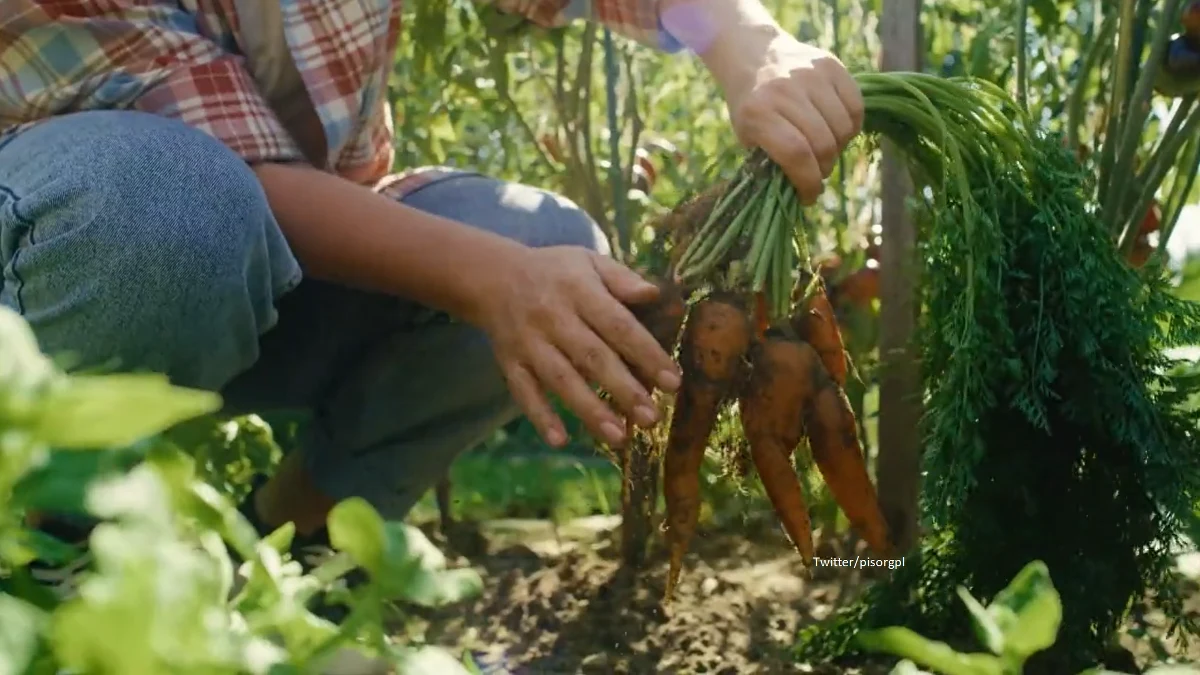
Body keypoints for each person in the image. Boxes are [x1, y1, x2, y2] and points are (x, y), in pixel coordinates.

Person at [1, 0, 863, 598]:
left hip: (273, 256)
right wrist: (493, 282)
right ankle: (56, 542)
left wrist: (749, 42)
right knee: (175, 199)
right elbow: (225, 168)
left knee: (545, 246)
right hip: (68, 273)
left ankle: (295, 544)